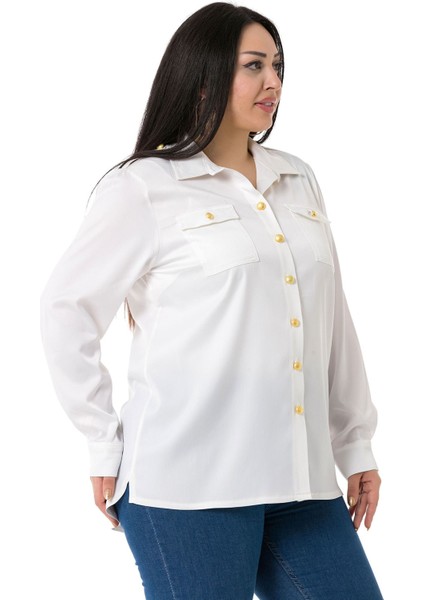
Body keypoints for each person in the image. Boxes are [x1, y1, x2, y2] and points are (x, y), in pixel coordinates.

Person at [40, 2, 384, 599]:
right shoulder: (143, 187)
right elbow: (66, 309)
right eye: (254, 65)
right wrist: (101, 440)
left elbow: (333, 320)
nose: (273, 81)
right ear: (203, 77)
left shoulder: (298, 178)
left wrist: (354, 442)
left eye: (278, 65)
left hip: (301, 483)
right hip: (187, 489)